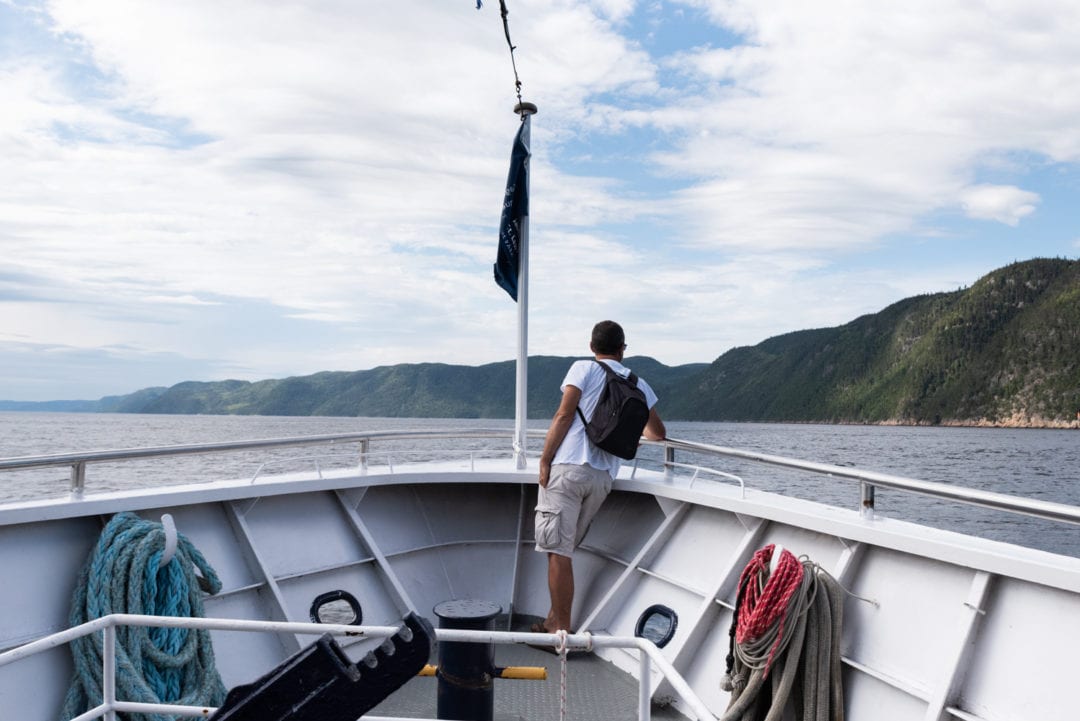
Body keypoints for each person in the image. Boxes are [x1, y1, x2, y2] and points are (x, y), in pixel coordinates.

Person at [533, 320, 666, 635]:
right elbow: (658, 434)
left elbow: (564, 415)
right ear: (622, 349)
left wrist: (545, 458)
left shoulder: (583, 369)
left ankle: (559, 633)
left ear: (592, 347)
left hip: (569, 468)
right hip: (603, 477)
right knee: (564, 548)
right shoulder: (638, 384)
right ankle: (554, 620)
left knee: (557, 550)